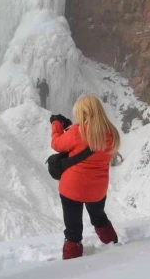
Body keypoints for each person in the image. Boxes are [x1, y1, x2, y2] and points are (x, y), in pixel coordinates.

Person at [50, 95, 120, 260]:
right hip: (97, 189)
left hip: (72, 188)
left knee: (73, 228)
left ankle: (72, 262)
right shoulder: (112, 133)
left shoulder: (78, 131)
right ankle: (114, 244)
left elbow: (57, 144)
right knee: (99, 217)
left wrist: (56, 124)